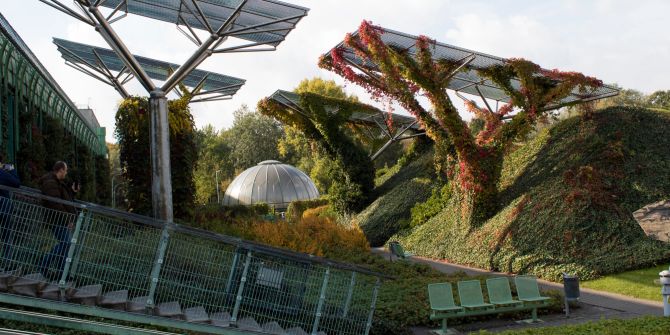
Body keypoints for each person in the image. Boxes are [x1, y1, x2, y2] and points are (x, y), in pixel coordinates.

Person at [37, 161, 79, 280]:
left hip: (61, 219)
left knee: (66, 245)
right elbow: (55, 203)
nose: (66, 173)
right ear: (60, 170)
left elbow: (64, 200)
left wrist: (72, 192)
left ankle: (61, 273)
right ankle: (43, 265)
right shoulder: (50, 183)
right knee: (66, 244)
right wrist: (67, 220)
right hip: (57, 220)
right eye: (65, 170)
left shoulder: (57, 182)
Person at [0, 154, 20, 270]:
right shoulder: (3, 173)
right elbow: (16, 183)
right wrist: (11, 170)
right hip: (5, 208)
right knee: (7, 237)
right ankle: (7, 263)